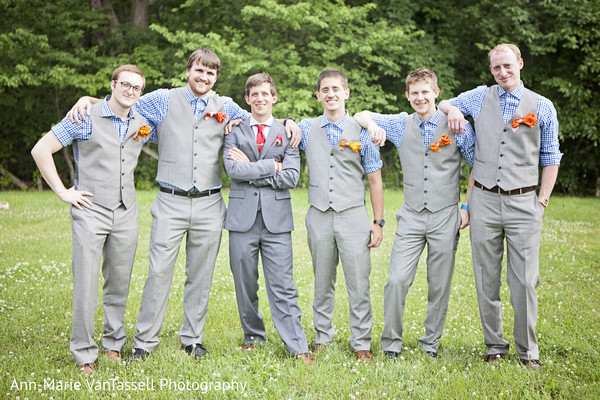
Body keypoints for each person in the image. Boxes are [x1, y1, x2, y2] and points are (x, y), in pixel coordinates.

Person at [68, 48, 301, 363]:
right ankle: (144, 342)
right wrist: (88, 100)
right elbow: (123, 103)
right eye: (199, 71)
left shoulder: (227, 106)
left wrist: (289, 121)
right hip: (170, 201)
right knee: (158, 272)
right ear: (188, 71)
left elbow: (262, 118)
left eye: (210, 73)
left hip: (210, 202)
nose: (204, 77)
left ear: (216, 77)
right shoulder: (163, 99)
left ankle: (192, 338)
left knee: (201, 274)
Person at [439, 43, 562, 369]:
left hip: (524, 202)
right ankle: (495, 346)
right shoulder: (480, 97)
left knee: (523, 280)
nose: (503, 72)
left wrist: (541, 203)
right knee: (486, 277)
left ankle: (528, 352)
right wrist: (451, 110)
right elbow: (444, 102)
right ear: (491, 70)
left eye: (508, 66)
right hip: (483, 201)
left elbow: (551, 160)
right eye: (497, 68)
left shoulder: (543, 106)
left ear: (519, 64)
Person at [31, 64, 149, 375]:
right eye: (125, 84)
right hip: (90, 211)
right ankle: (84, 353)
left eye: (137, 88)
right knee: (86, 283)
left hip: (126, 212)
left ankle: (112, 344)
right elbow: (41, 149)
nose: (130, 91)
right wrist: (63, 192)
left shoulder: (142, 119)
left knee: (119, 281)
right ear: (112, 84)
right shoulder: (85, 118)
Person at [354, 68, 476, 361]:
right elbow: (360, 113)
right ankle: (391, 344)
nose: (420, 97)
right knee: (396, 280)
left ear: (436, 92)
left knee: (439, 283)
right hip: (410, 215)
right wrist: (371, 125)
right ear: (407, 96)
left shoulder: (456, 124)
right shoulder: (399, 124)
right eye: (414, 93)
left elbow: (477, 165)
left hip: (446, 214)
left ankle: (430, 344)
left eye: (425, 91)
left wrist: (466, 206)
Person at [223, 73, 312, 364]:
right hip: (241, 219)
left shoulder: (288, 132)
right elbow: (233, 172)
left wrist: (254, 168)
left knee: (283, 284)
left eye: (265, 94)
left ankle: (297, 346)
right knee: (245, 282)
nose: (260, 99)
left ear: (274, 97)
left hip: (276, 221)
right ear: (247, 99)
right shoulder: (234, 132)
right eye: (254, 95)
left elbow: (291, 176)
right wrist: (270, 166)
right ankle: (253, 337)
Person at [297, 68, 384, 363]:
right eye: (325, 90)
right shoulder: (306, 128)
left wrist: (378, 221)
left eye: (336, 89)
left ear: (346, 93)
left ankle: (361, 342)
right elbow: (280, 129)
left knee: (359, 282)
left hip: (353, 215)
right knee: (322, 280)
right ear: (318, 95)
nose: (331, 94)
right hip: (319, 214)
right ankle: (323, 337)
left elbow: (374, 178)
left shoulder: (362, 130)